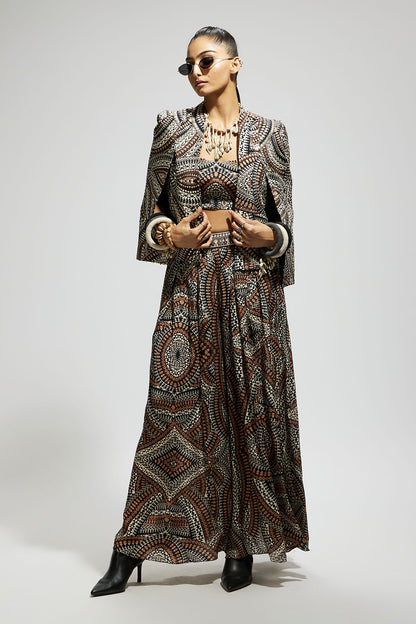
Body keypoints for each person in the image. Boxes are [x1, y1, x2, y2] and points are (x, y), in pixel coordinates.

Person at [91, 25, 309, 597]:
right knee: (171, 412)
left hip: (252, 297)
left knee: (246, 411)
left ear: (235, 64)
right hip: (188, 290)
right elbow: (150, 219)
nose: (196, 72)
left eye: (206, 60)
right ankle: (131, 548)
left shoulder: (270, 134)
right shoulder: (171, 128)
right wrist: (173, 236)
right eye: (188, 65)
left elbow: (286, 231)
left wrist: (268, 235)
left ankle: (241, 545)